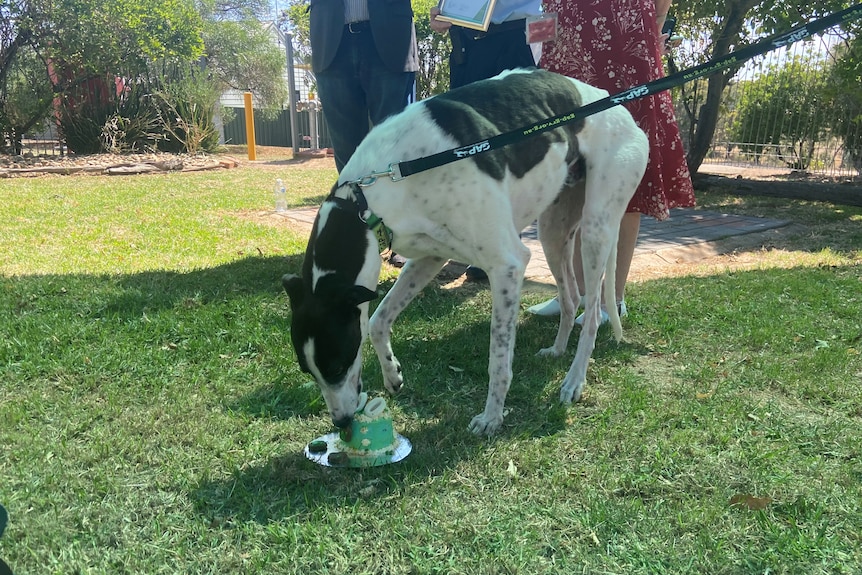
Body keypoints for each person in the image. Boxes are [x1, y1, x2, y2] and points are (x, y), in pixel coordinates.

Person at [527, 0, 696, 321]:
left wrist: (653, 25)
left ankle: (612, 299)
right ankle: (576, 294)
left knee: (622, 170)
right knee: (570, 174)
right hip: (565, 45)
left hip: (625, 40)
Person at [430, 0, 543, 281]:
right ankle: (474, 242)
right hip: (467, 38)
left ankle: (504, 244)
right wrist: (441, 11)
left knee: (512, 146)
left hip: (518, 36)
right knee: (467, 148)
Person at [310, 0, 419, 267]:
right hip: (332, 42)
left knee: (394, 150)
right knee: (348, 154)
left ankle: (401, 237)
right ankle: (359, 235)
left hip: (388, 39)